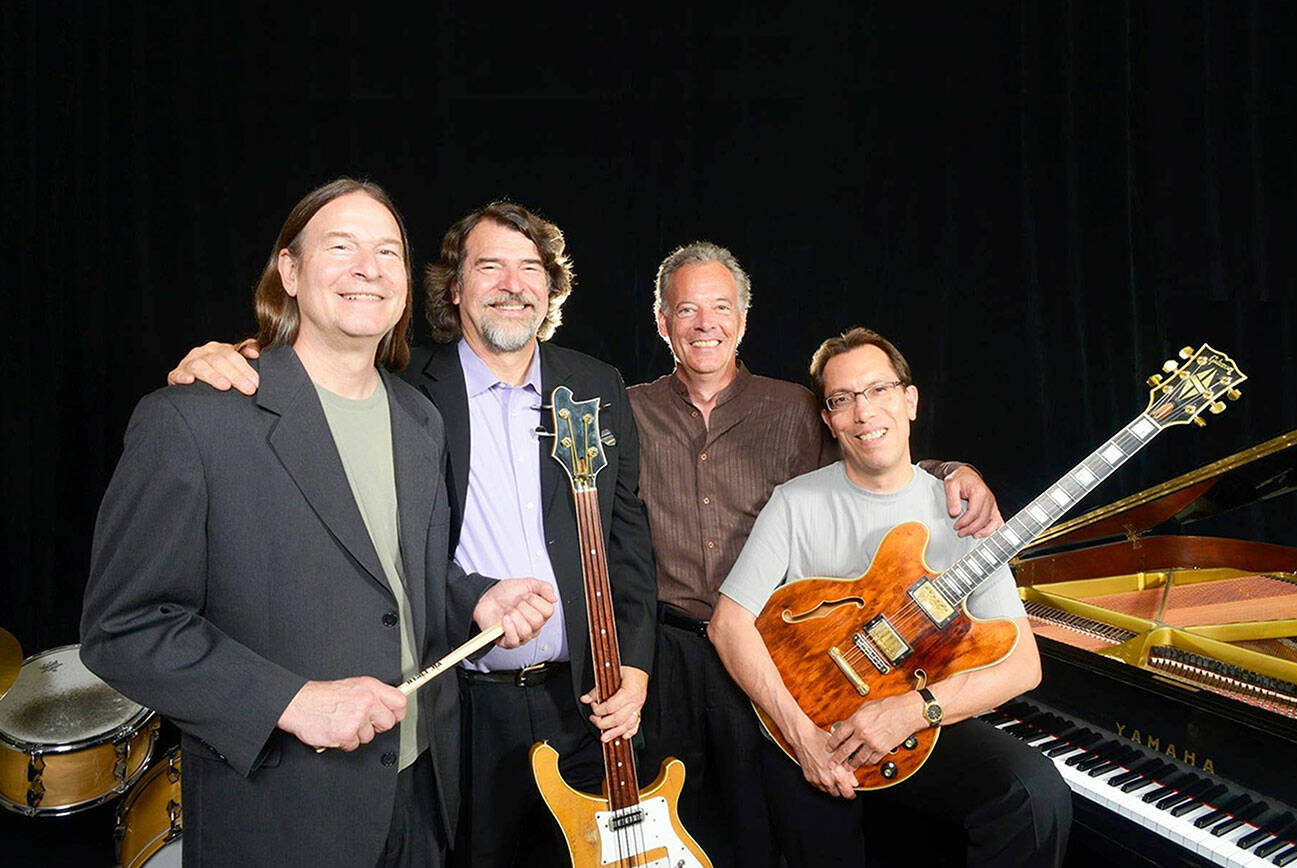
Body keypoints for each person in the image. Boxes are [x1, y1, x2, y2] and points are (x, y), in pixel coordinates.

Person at [165, 200, 657, 867]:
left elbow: (626, 538)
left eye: (530, 268)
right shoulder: (403, 387)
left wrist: (634, 662)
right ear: (453, 289)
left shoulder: (596, 385)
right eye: (490, 267)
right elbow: (310, 378)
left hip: (583, 698)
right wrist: (237, 356)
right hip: (458, 705)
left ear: (551, 286)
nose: (512, 284)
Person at [81, 179, 557, 868]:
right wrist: (291, 700)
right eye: (342, 246)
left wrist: (474, 597)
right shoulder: (195, 418)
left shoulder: (417, 420)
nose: (369, 266)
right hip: (284, 811)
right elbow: (123, 627)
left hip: (422, 794)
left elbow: (399, 584)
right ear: (291, 271)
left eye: (388, 251)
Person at [629, 243, 1005, 866]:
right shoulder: (630, 410)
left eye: (721, 307)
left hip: (773, 655)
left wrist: (952, 472)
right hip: (667, 655)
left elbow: (874, 455)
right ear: (663, 322)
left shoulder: (796, 410)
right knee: (686, 833)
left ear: (743, 320)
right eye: (687, 309)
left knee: (769, 837)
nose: (706, 324)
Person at [709, 326, 1072, 867]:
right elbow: (728, 624)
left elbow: (1024, 667)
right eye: (843, 399)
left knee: (1034, 794)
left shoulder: (965, 514)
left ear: (910, 400)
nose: (863, 412)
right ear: (829, 420)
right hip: (814, 726)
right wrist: (803, 738)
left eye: (878, 390)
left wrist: (912, 711)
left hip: (918, 717)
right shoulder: (794, 502)